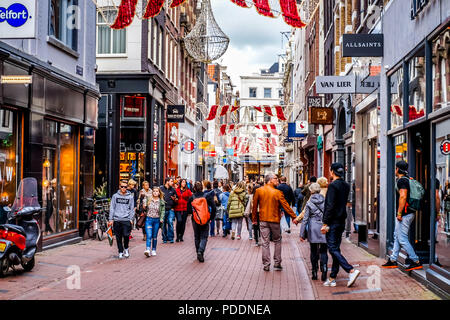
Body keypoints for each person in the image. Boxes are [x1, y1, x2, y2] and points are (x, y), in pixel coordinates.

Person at [321, 163, 360, 287]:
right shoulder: (346, 185)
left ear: (332, 171)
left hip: (332, 221)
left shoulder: (332, 186)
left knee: (332, 248)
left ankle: (350, 270)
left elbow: (330, 205)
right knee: (335, 248)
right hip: (341, 220)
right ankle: (332, 278)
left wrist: (325, 222)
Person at [381, 160, 423, 271]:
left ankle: (416, 261)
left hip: (405, 214)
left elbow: (403, 197)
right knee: (397, 236)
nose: (395, 170)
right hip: (407, 213)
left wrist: (399, 213)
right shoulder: (407, 179)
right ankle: (393, 260)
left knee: (402, 238)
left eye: (395, 168)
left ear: (398, 169)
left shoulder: (402, 181)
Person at [252, 173, 297, 271]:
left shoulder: (259, 191)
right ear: (270, 180)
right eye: (276, 179)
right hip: (275, 220)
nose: (278, 180)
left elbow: (254, 206)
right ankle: (277, 263)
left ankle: (266, 264)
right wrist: (294, 217)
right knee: (277, 241)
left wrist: (254, 219)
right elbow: (286, 206)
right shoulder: (277, 193)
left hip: (263, 219)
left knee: (265, 242)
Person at [300, 183, 328, 281]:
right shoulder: (325, 201)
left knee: (313, 251)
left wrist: (302, 234)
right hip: (323, 227)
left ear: (311, 191)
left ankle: (314, 272)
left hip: (313, 228)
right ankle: (324, 269)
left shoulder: (309, 202)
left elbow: (305, 219)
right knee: (324, 250)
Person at [187, 181, 216, 262]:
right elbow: (214, 207)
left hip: (195, 219)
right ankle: (201, 251)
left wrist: (193, 214)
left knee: (197, 237)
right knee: (204, 236)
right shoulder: (207, 196)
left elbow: (188, 210)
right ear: (202, 188)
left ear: (194, 188)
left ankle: (198, 253)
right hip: (205, 218)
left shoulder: (192, 197)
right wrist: (211, 217)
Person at [108, 180, 135, 259]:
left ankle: (126, 248)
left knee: (126, 235)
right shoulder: (115, 196)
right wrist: (111, 219)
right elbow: (112, 208)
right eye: (122, 187)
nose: (123, 188)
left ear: (127, 188)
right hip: (117, 219)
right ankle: (120, 251)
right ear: (120, 187)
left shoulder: (130, 197)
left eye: (125, 187)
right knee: (118, 237)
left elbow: (132, 209)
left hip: (126, 219)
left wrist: (131, 218)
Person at [144, 187, 165, 257]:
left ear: (159, 193)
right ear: (152, 192)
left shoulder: (161, 201)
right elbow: (144, 205)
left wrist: (161, 218)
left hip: (157, 220)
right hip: (149, 219)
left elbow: (162, 211)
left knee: (154, 236)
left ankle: (153, 249)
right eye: (154, 191)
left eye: (156, 191)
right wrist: (144, 205)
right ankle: (147, 249)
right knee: (149, 235)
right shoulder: (149, 199)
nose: (155, 192)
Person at [160, 178, 178, 243]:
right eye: (171, 181)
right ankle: (164, 238)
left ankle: (171, 238)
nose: (172, 183)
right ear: (167, 182)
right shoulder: (161, 189)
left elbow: (177, 199)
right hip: (163, 209)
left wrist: (175, 199)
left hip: (171, 209)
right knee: (163, 224)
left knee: (170, 222)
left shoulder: (173, 190)